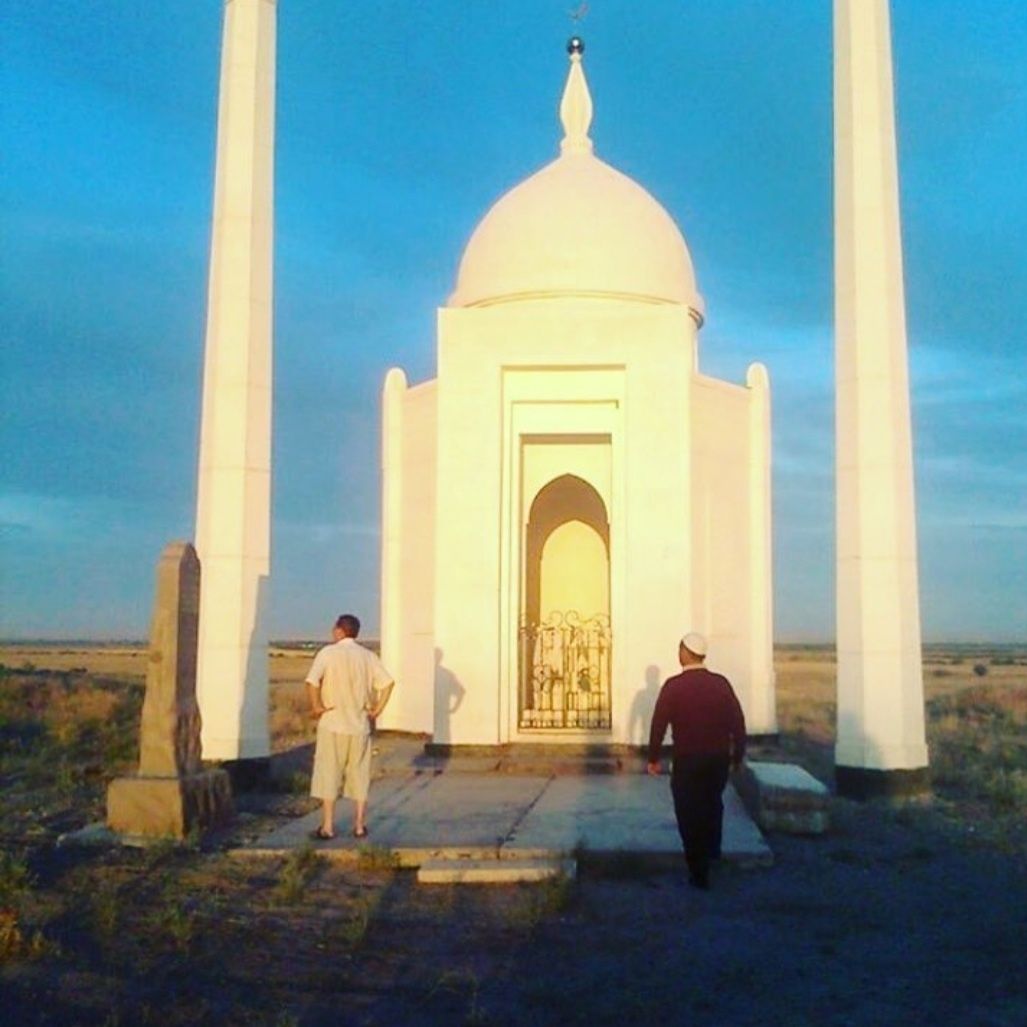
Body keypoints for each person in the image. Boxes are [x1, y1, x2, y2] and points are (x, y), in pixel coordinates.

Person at [647, 632, 746, 889]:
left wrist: (654, 758)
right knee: (712, 804)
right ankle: (712, 852)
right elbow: (738, 722)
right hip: (717, 760)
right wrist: (738, 757)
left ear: (685, 652)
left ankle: (697, 868)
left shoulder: (673, 686)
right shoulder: (721, 684)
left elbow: (658, 724)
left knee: (688, 811)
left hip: (687, 759)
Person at [306, 614, 394, 840]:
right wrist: (377, 710)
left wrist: (316, 706)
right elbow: (388, 683)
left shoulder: (327, 653)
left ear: (339, 631)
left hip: (333, 722)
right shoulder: (367, 656)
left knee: (329, 773)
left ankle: (327, 826)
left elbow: (312, 681)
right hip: (359, 724)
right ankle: (359, 826)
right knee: (360, 774)